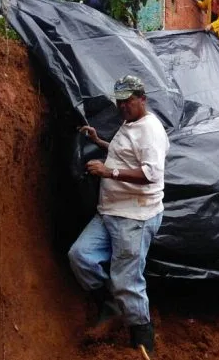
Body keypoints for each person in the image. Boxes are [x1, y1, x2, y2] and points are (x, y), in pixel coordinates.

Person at [68, 75, 170, 355]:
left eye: (128, 101)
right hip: (110, 211)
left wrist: (108, 171)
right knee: (81, 256)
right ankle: (111, 306)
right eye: (120, 101)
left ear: (142, 99)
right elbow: (124, 155)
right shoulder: (130, 123)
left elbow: (150, 174)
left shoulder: (151, 131)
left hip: (134, 216)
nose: (123, 106)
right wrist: (100, 141)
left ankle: (141, 337)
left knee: (127, 279)